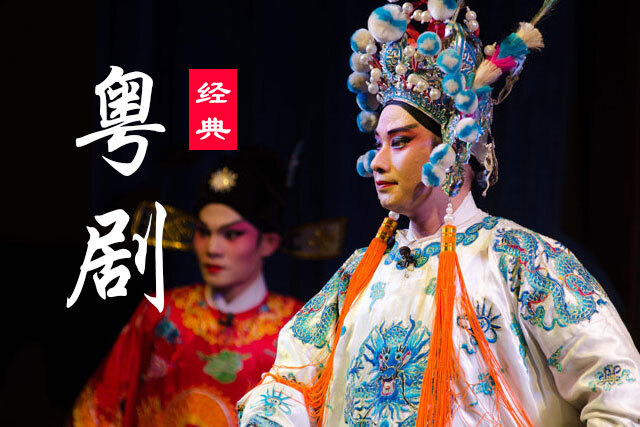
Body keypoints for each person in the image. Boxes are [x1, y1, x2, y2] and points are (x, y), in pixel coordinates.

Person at [237, 2, 640, 426]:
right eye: (377, 144)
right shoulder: (357, 276)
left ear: (453, 145)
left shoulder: (522, 260)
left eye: (400, 141)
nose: (377, 163)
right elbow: (288, 381)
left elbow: (621, 390)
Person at [72, 150, 302, 426]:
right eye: (204, 232)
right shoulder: (161, 312)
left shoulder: (296, 326)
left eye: (231, 234)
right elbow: (101, 407)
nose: (212, 248)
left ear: (268, 242)